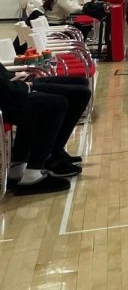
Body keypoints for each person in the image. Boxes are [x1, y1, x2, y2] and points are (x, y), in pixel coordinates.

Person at [1, 62, 91, 195]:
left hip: (11, 87)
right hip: (8, 97)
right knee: (58, 103)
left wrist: (16, 76)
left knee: (80, 84)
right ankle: (34, 172)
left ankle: (22, 164)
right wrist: (25, 86)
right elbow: (6, 90)